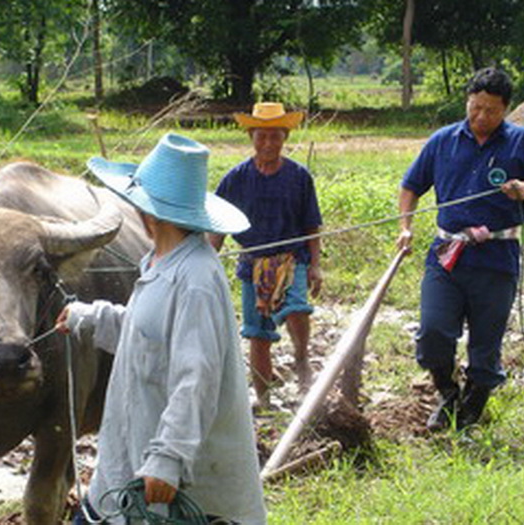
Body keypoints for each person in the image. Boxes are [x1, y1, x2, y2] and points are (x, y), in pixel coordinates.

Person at [56, 133, 267, 524]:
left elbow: (196, 375)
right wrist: (88, 317)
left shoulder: (196, 278)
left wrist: (169, 456)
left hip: (181, 476)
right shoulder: (158, 261)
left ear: (149, 212)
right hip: (129, 454)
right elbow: (146, 336)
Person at [396, 67, 524, 432]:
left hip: (496, 257)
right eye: (475, 107)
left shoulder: (523, 143)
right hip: (447, 253)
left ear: (505, 109)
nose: (481, 117)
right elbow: (411, 186)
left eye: (491, 111)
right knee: (433, 332)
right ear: (468, 101)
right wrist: (405, 226)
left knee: (485, 342)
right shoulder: (442, 141)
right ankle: (447, 393)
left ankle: (472, 407)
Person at [209, 102, 323, 409]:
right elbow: (217, 226)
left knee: (297, 308)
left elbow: (312, 223)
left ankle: (301, 359)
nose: (268, 144)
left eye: (275, 137)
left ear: (285, 138)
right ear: (251, 137)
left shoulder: (299, 177)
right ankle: (263, 397)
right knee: (257, 333)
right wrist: (207, 261)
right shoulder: (235, 178)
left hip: (291, 258)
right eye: (262, 136)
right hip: (252, 264)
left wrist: (315, 265)